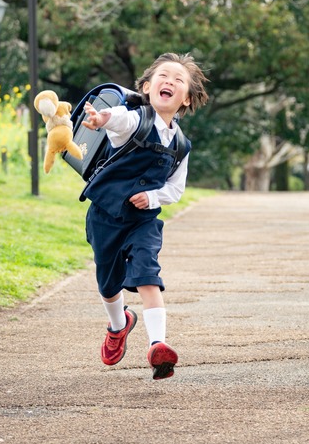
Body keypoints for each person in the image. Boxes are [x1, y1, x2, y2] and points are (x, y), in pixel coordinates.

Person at [79, 52, 210, 380]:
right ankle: (118, 325)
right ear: (148, 87)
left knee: (148, 274)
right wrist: (100, 119)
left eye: (178, 80)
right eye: (163, 76)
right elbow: (117, 119)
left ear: (186, 99)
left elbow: (175, 189)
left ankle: (157, 345)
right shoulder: (136, 119)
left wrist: (152, 197)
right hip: (105, 215)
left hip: (144, 220)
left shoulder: (181, 145)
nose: (169, 81)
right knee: (108, 282)